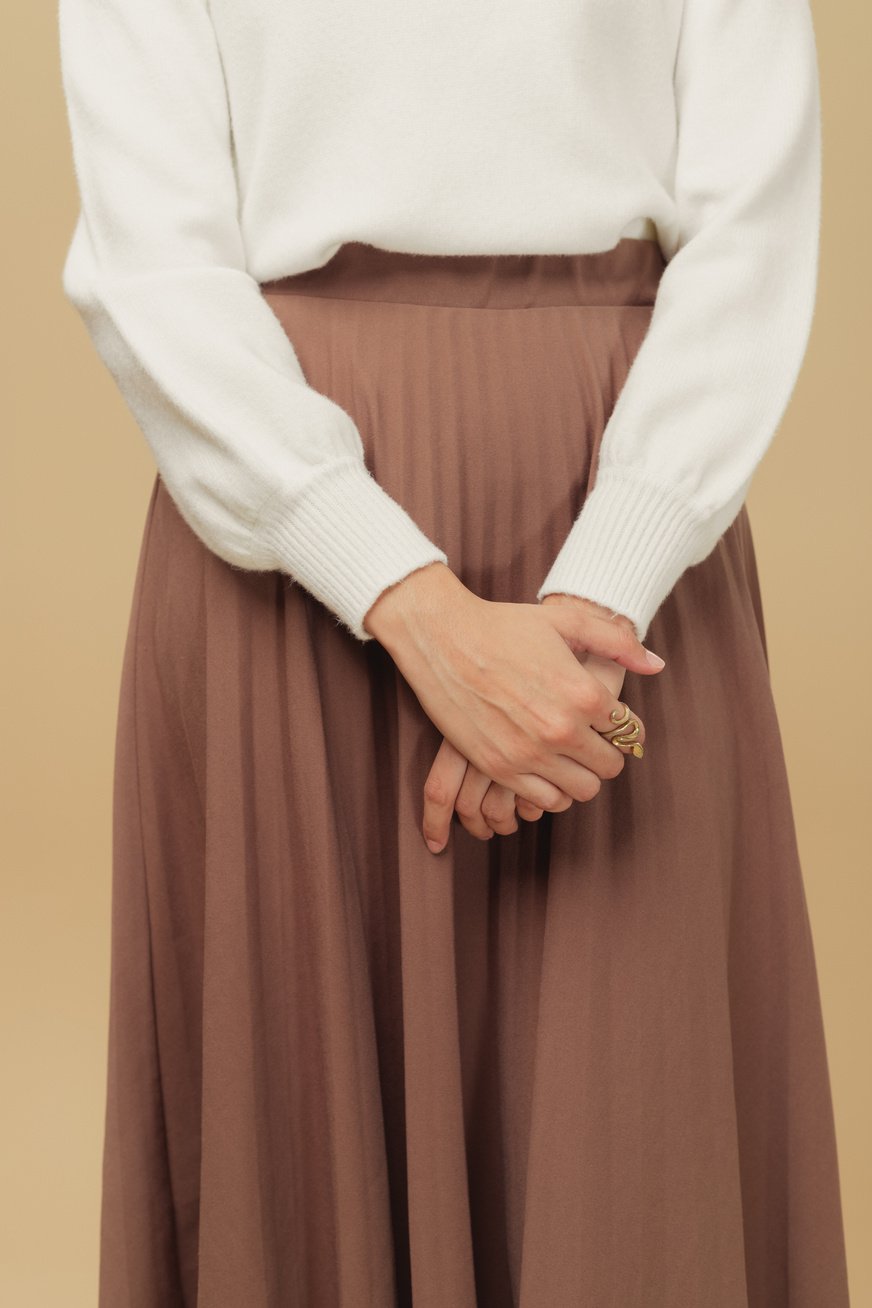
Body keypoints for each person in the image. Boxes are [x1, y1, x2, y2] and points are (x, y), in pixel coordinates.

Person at [58, 0, 851, 1304]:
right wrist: (403, 598)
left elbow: (753, 222)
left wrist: (606, 590)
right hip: (293, 531)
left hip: (626, 500)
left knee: (633, 1140)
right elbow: (153, 269)